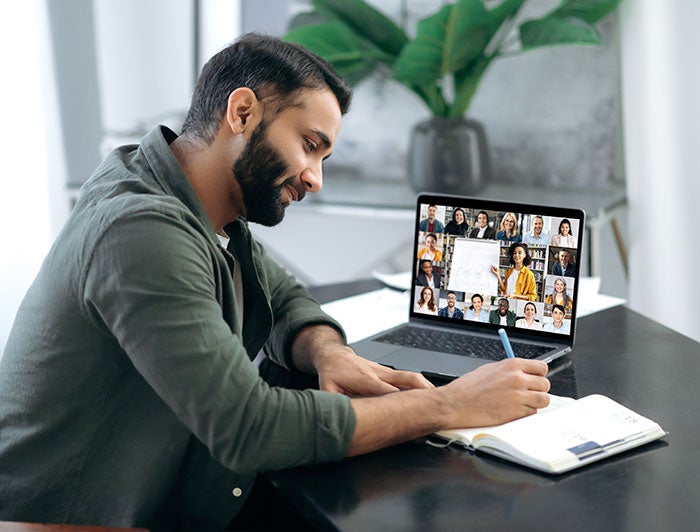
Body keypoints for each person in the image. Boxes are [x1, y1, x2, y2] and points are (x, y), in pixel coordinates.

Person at [0, 34, 551, 531]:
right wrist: (450, 406)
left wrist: (328, 353)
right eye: (309, 145)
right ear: (241, 112)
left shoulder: (190, 196)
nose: (315, 177)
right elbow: (250, 426)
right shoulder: (142, 230)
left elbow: (282, 294)